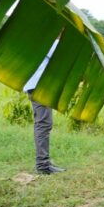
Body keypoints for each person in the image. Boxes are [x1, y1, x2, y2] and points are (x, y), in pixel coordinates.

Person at [23, 42, 64, 175]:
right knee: (43, 124)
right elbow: (60, 58)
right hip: (40, 86)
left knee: (43, 123)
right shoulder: (51, 42)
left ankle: (44, 163)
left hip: (35, 84)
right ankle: (43, 165)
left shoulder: (41, 37)